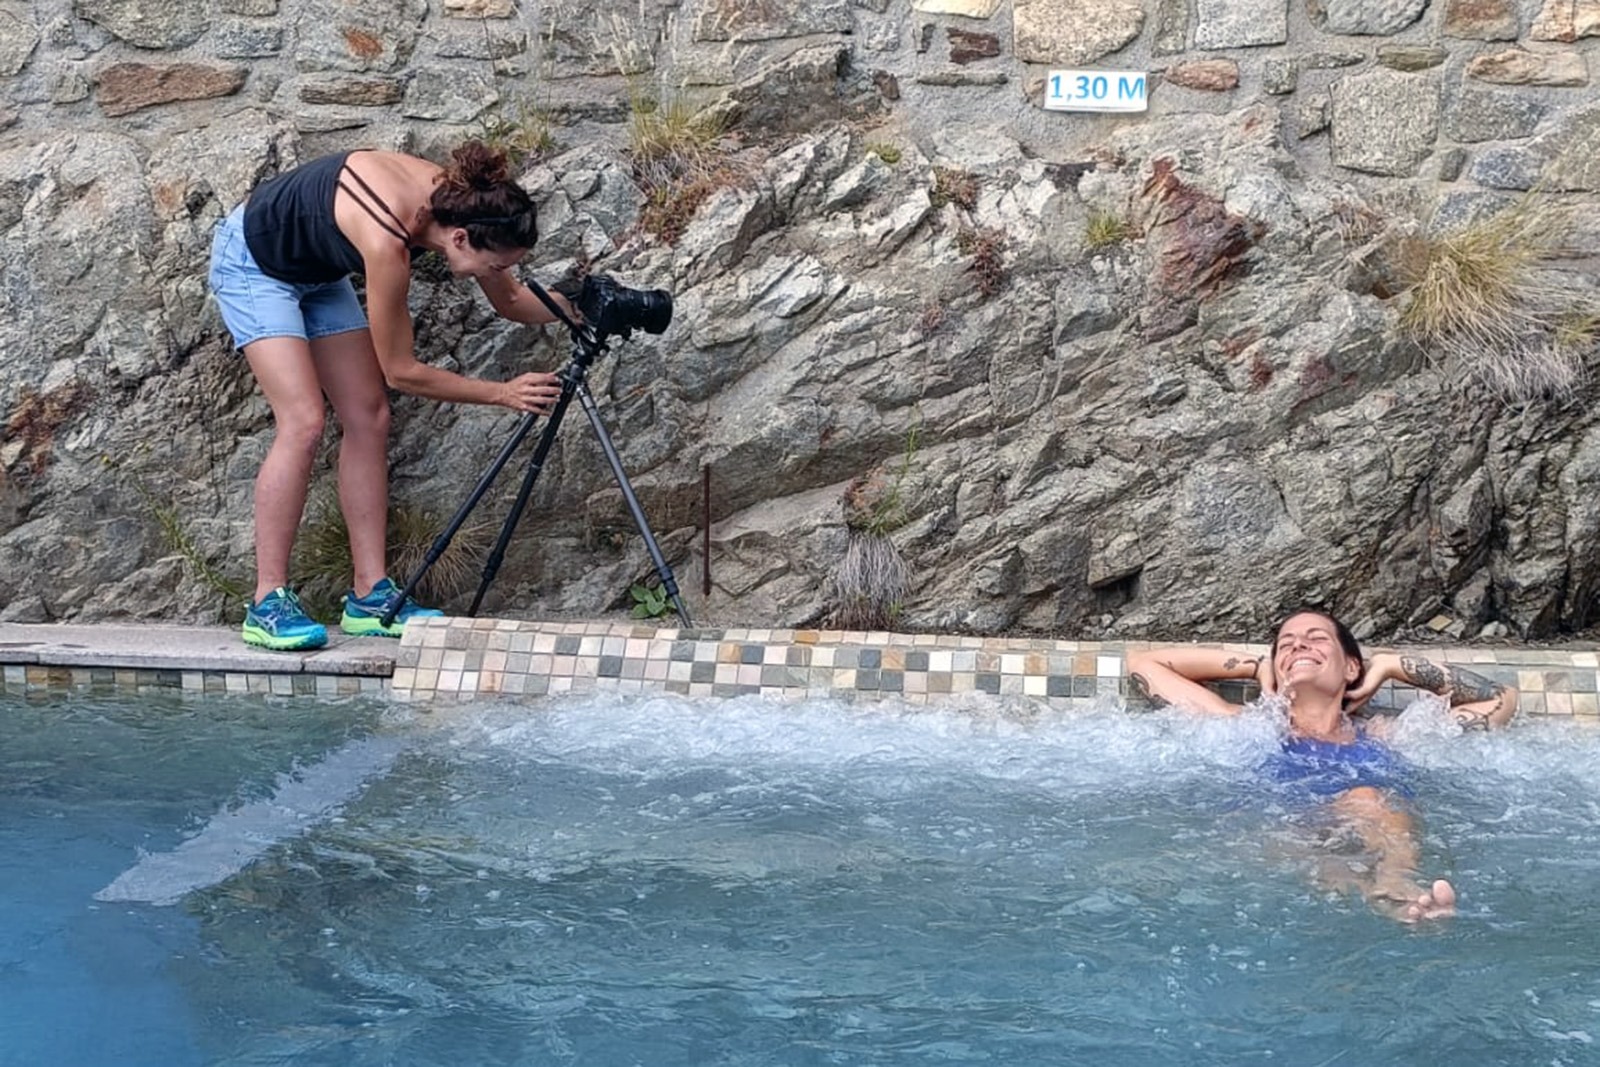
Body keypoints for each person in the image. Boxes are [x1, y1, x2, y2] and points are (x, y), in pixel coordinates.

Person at [207, 142, 579, 651]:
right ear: (461, 240)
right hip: (256, 262)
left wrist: (580, 308)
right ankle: (267, 601)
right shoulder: (388, 245)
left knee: (370, 416)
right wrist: (501, 393)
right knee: (303, 420)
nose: (494, 276)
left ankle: (369, 595)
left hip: (316, 270)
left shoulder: (462, 206)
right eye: (492, 266)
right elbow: (401, 371)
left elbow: (512, 300)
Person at [1125, 607, 1519, 922]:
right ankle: (1377, 887)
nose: (1299, 647)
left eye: (1316, 640)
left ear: (1350, 668)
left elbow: (1501, 699)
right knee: (1361, 804)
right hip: (1278, 838)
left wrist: (1387, 666)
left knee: (1366, 797)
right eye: (1287, 646)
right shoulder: (1243, 726)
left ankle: (1392, 879)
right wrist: (1255, 665)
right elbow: (1143, 664)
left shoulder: (1385, 734)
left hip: (1364, 833)